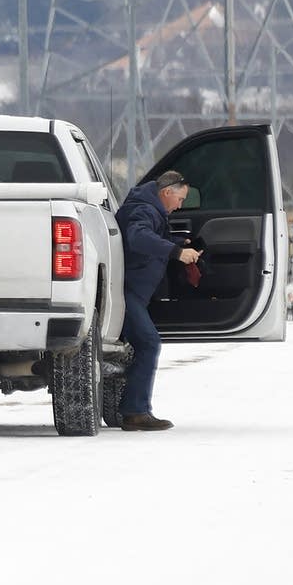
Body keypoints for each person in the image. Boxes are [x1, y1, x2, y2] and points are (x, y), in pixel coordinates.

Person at [114, 167, 200, 430]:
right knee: (149, 343)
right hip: (126, 293)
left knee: (141, 345)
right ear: (166, 192)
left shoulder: (148, 208)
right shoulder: (144, 210)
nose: (179, 206)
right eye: (180, 199)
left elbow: (150, 237)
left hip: (134, 293)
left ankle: (131, 407)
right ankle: (135, 412)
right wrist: (175, 252)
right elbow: (139, 238)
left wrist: (178, 242)